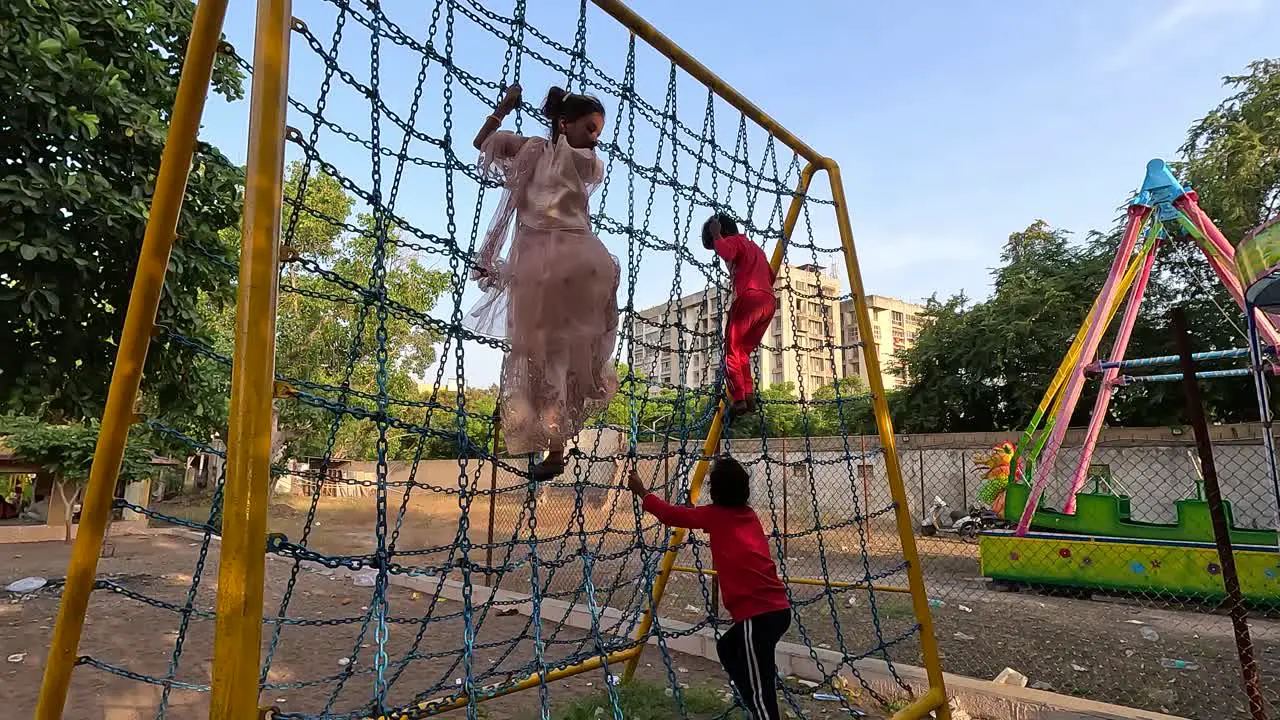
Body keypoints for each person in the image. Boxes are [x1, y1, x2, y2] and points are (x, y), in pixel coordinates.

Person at [466, 84, 621, 480]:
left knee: (546, 352)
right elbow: (483, 142)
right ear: (566, 123)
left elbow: (483, 142)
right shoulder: (553, 153)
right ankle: (553, 447)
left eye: (597, 132)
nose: (595, 140)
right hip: (574, 261)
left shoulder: (550, 153)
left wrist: (505, 109)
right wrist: (513, 109)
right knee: (555, 354)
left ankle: (548, 440)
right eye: (590, 129)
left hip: (547, 264)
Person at [626, 458, 792, 720]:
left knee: (763, 690)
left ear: (715, 492)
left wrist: (642, 492)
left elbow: (671, 515)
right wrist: (696, 515)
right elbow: (712, 523)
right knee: (727, 648)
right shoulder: (748, 515)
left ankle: (758, 708)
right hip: (775, 610)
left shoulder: (715, 516)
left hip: (759, 614)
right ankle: (750, 700)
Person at [702, 213, 775, 424]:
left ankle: (739, 398)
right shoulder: (755, 248)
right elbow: (770, 276)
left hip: (748, 297)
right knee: (742, 351)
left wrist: (717, 237)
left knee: (731, 350)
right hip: (768, 302)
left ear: (722, 232)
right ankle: (748, 395)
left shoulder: (732, 241)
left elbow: (726, 251)